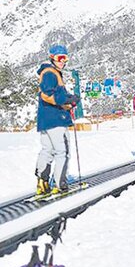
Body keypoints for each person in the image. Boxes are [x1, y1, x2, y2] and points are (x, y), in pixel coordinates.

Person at [35, 45, 80, 196]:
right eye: (60, 58)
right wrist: (68, 98)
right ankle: (60, 184)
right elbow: (47, 95)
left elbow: (53, 98)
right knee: (63, 152)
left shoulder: (50, 72)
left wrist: (70, 102)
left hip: (46, 120)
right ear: (52, 58)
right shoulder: (50, 73)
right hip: (56, 120)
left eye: (65, 58)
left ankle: (43, 182)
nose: (63, 61)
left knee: (47, 150)